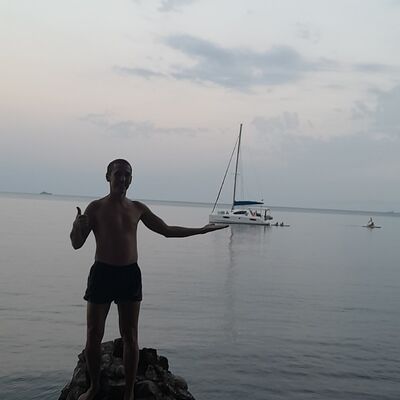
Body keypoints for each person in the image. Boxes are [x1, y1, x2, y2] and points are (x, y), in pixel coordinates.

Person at [70, 159, 228, 400]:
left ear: (131, 179)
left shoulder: (137, 208)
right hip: (102, 273)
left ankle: (129, 393)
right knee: (93, 334)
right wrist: (76, 227)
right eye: (118, 173)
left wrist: (201, 230)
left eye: (127, 174)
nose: (123, 178)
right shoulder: (95, 208)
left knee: (130, 335)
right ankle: (93, 388)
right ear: (108, 176)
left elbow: (166, 230)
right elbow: (77, 244)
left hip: (129, 274)